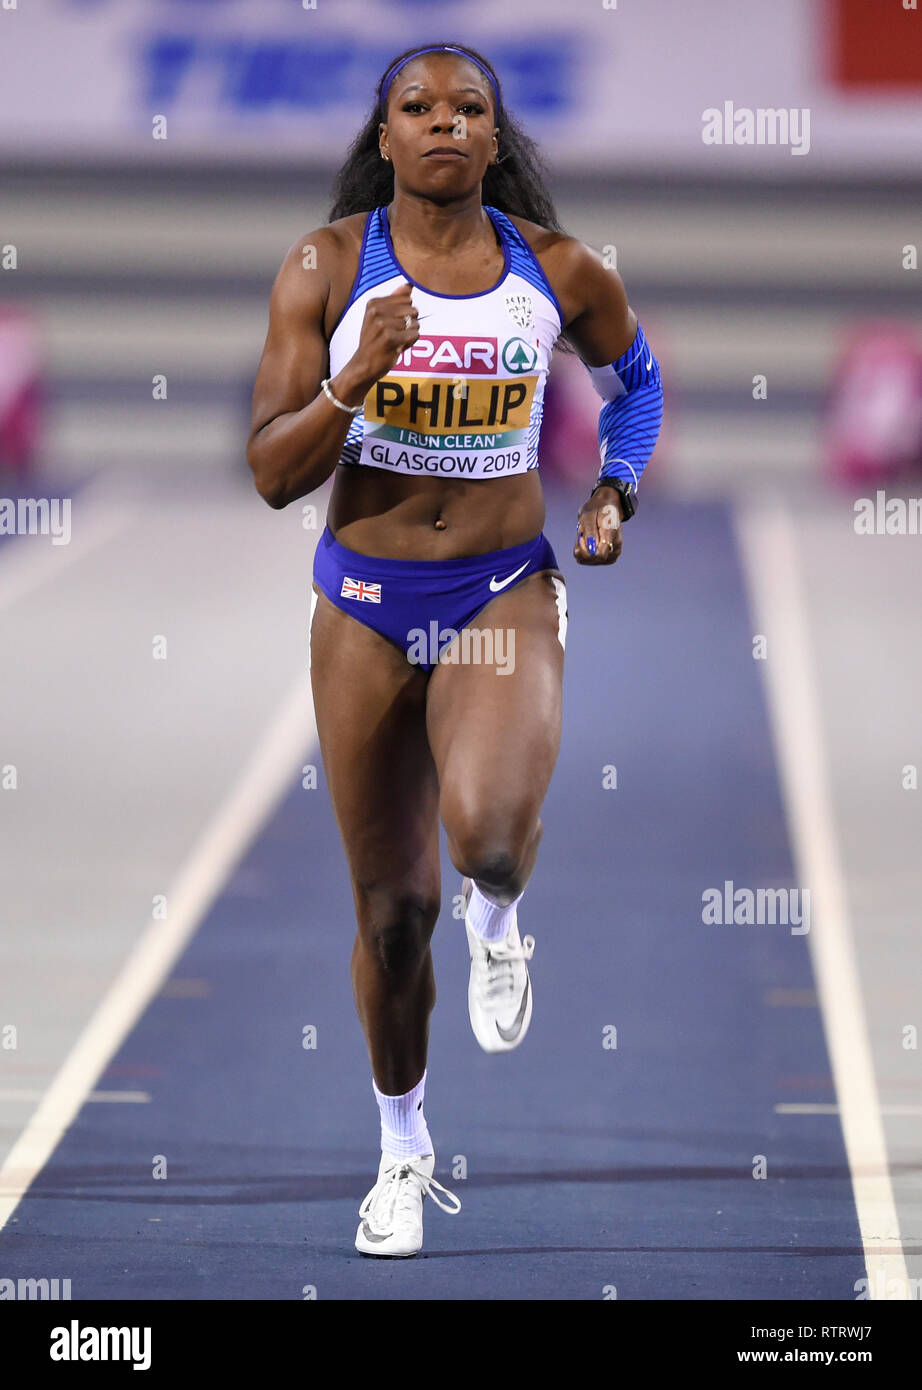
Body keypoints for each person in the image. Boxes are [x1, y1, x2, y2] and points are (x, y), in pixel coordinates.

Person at [247, 41, 663, 1258]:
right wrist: (354, 383)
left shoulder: (561, 272)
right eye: (416, 109)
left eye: (466, 109)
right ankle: (402, 1153)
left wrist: (612, 492)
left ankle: (501, 910)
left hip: (497, 594)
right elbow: (273, 470)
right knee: (388, 916)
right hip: (366, 601)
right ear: (384, 138)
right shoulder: (327, 268)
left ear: (494, 137)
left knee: (483, 841)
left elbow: (635, 387)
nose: (442, 125)